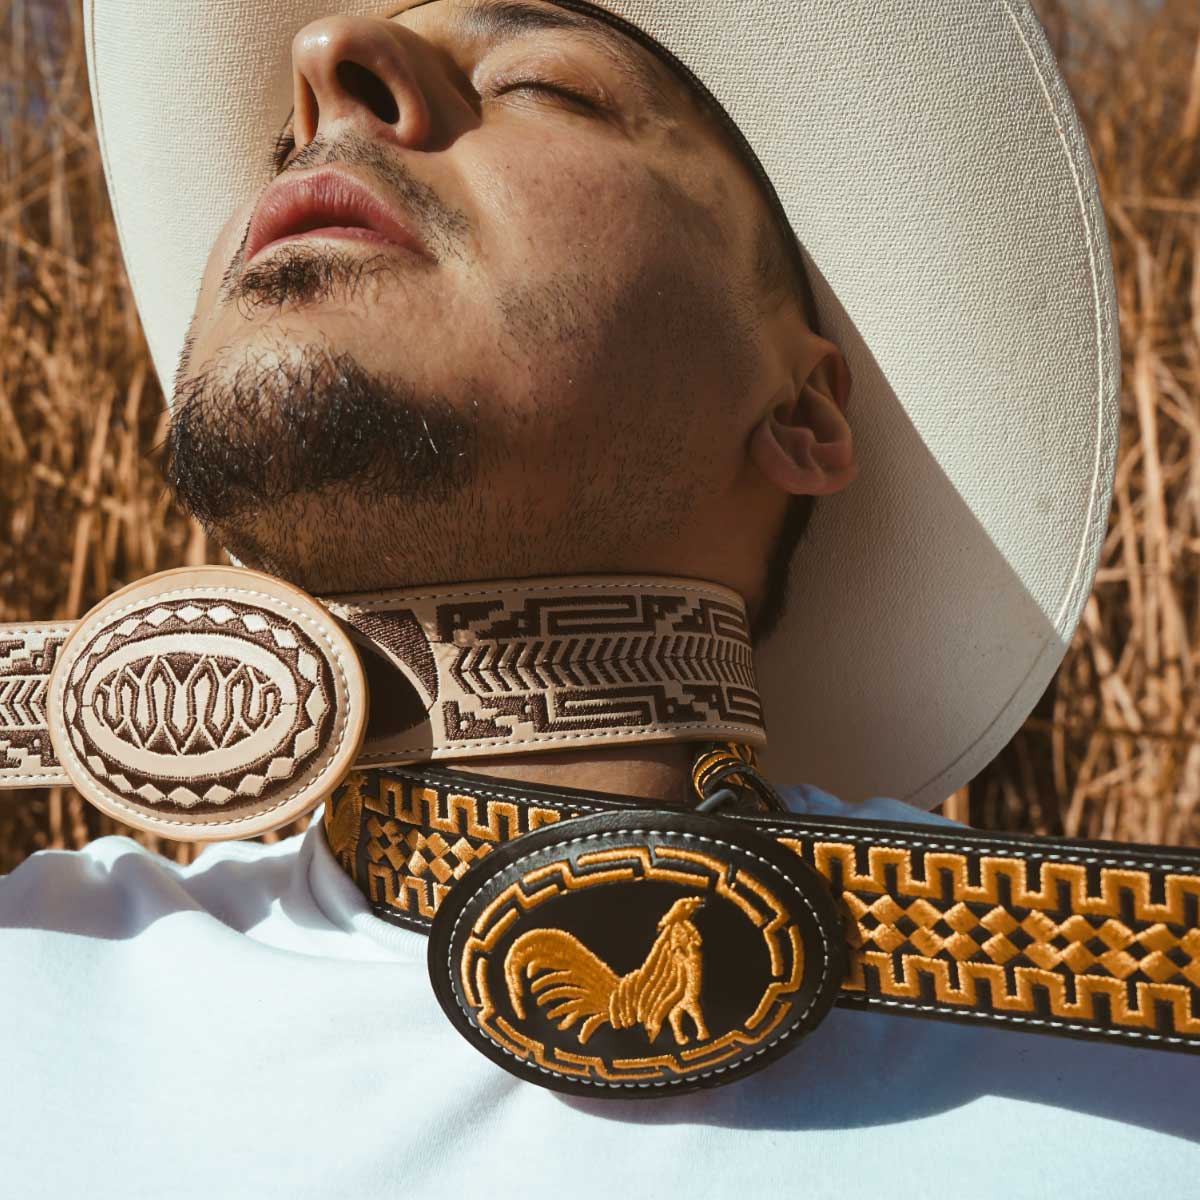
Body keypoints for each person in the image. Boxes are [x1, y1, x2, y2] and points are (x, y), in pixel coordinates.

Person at [1, 2, 1196, 1196]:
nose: (321, 68)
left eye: (538, 86)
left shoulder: (1143, 1065)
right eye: (282, 150)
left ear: (805, 411)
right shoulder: (34, 979)